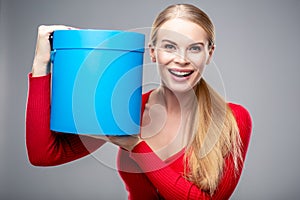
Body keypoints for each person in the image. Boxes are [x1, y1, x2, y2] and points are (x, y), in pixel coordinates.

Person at [26, 3, 252, 200]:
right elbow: (43, 155)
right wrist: (41, 63)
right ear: (153, 53)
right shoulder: (127, 109)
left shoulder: (232, 119)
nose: (181, 59)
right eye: (170, 47)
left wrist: (136, 146)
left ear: (209, 54)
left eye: (194, 48)